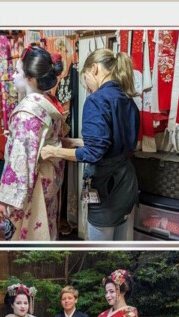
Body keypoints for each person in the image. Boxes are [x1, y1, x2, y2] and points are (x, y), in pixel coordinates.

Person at [40, 49, 141, 241]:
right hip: (127, 183)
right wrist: (73, 142)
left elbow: (94, 153)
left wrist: (53, 151)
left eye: (85, 78)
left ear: (93, 69)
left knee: (99, 251)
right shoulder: (127, 98)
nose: (87, 87)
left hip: (107, 187)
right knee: (120, 245)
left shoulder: (96, 100)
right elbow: (111, 142)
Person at [0, 45, 69, 241]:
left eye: (17, 72)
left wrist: (2, 198)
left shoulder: (28, 112)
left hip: (33, 183)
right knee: (45, 225)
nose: (13, 76)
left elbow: (21, 158)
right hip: (48, 179)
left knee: (29, 230)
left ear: (31, 79)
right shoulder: (47, 101)